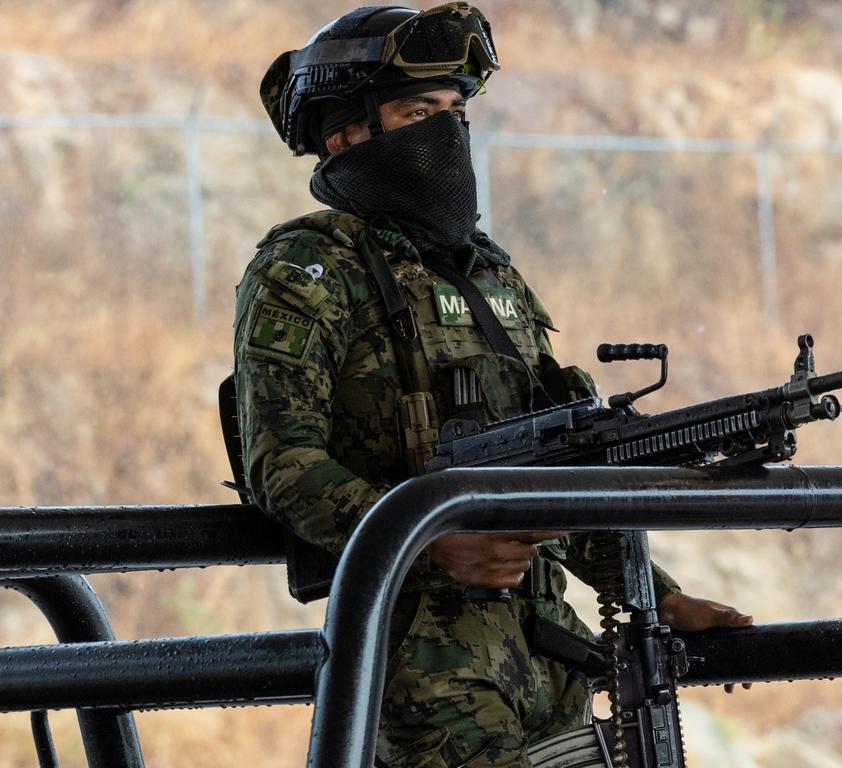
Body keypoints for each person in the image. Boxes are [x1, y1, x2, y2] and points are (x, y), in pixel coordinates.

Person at [234, 3, 752, 765]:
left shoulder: (488, 270)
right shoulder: (306, 270)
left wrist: (657, 596)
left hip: (548, 655)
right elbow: (281, 465)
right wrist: (432, 537)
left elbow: (560, 467)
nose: (447, 131)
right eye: (419, 111)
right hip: (423, 674)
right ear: (346, 133)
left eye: (457, 111)